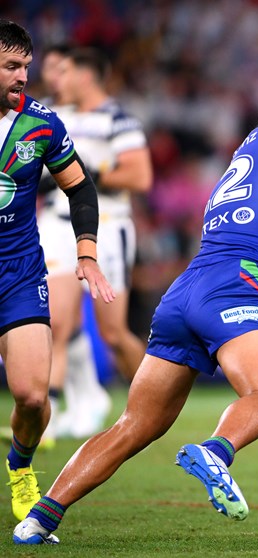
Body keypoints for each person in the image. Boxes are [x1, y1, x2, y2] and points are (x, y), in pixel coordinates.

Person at [12, 77, 258, 545]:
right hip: (236, 285)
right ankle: (216, 451)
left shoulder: (256, 156)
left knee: (134, 425)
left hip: (186, 290)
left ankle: (38, 519)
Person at [0, 19, 114, 522]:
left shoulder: (41, 124)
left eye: (25, 65)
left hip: (20, 271)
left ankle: (21, 470)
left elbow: (81, 188)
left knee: (31, 395)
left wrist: (86, 253)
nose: (22, 75)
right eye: (10, 66)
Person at [37, 46, 118, 442]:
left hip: (104, 224)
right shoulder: (45, 118)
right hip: (51, 222)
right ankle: (77, 400)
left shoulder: (116, 119)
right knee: (59, 319)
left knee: (113, 333)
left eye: (61, 70)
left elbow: (138, 177)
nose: (53, 78)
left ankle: (131, 406)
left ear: (83, 74)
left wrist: (90, 171)